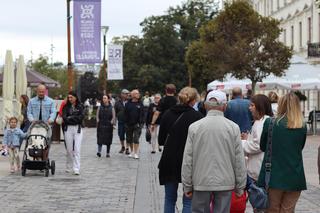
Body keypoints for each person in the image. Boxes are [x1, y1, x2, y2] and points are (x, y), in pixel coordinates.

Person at [181, 90, 246, 213]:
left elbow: (188, 158)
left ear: (205, 105)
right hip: (225, 181)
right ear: (224, 106)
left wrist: (187, 184)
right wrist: (240, 186)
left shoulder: (195, 127)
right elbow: (239, 159)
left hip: (201, 179)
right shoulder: (233, 128)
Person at [257, 92, 307, 212]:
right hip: (295, 176)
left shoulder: (271, 123)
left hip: (274, 175)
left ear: (281, 105)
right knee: (288, 210)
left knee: (272, 209)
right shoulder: (302, 125)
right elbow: (300, 147)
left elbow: (263, 147)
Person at [158, 87, 203, 213]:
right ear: (193, 101)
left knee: (169, 199)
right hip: (189, 160)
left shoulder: (167, 114)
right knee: (188, 199)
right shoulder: (197, 117)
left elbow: (161, 139)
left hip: (169, 159)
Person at [241, 95, 273, 189]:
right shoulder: (264, 120)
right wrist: (247, 139)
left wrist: (241, 142)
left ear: (260, 106)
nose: (249, 108)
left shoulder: (260, 122)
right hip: (259, 166)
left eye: (252, 105)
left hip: (257, 168)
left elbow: (257, 145)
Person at [62, 91, 85, 175]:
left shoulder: (80, 106)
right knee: (69, 149)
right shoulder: (66, 107)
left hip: (77, 128)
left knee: (77, 149)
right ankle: (68, 165)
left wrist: (70, 118)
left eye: (71, 97)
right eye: (69, 97)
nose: (70, 99)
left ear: (75, 97)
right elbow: (64, 118)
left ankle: (76, 168)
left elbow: (80, 118)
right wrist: (72, 118)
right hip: (68, 128)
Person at [151, 84, 177, 151]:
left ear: (166, 91)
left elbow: (157, 113)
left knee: (164, 139)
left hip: (164, 122)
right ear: (174, 91)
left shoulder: (162, 100)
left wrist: (152, 123)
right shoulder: (177, 100)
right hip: (175, 122)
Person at [124, 89, 144, 159]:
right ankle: (132, 151)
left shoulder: (140, 104)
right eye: (136, 93)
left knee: (136, 139)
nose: (138, 94)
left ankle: (136, 153)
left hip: (137, 124)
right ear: (132, 95)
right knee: (129, 139)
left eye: (138, 93)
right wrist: (126, 123)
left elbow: (142, 114)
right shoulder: (127, 104)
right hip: (128, 124)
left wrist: (140, 123)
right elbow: (125, 114)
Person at [114, 89, 130, 154]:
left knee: (128, 135)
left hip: (128, 122)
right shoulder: (117, 102)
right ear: (122, 94)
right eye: (126, 94)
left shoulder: (130, 102)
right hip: (120, 122)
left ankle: (127, 148)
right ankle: (123, 146)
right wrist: (114, 122)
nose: (127, 95)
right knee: (121, 135)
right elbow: (114, 112)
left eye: (127, 94)